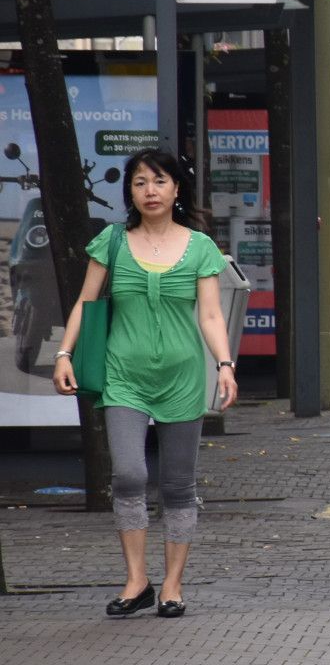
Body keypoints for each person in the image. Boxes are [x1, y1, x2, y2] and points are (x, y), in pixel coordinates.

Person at [51, 148, 237, 619]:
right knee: (130, 474)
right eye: (139, 183)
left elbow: (211, 314)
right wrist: (64, 355)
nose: (149, 191)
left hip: (182, 378)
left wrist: (225, 364)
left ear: (176, 189)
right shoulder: (112, 241)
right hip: (123, 376)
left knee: (177, 485)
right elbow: (84, 303)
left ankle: (172, 585)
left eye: (158, 181)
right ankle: (137, 580)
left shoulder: (200, 247)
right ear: (129, 192)